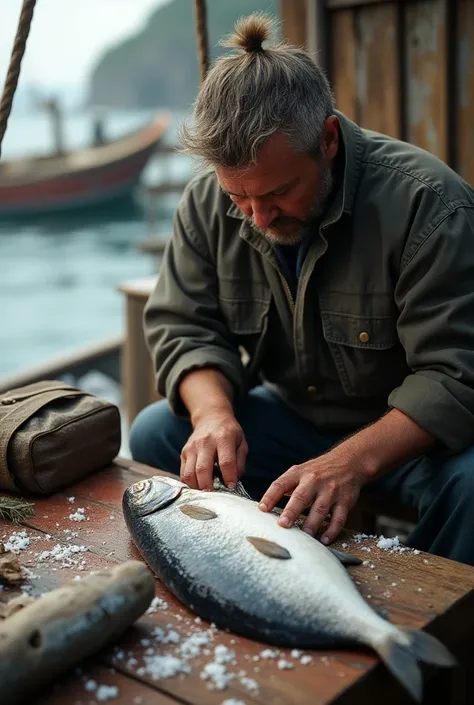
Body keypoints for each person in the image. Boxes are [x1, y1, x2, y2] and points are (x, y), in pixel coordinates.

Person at [129, 13, 474, 565]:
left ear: (329, 140)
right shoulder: (204, 202)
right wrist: (214, 414)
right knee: (157, 433)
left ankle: (425, 633)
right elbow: (184, 326)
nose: (259, 218)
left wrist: (350, 463)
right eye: (239, 199)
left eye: (279, 193)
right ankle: (248, 580)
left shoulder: (429, 206)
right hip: (291, 423)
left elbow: (456, 373)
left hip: (410, 442)